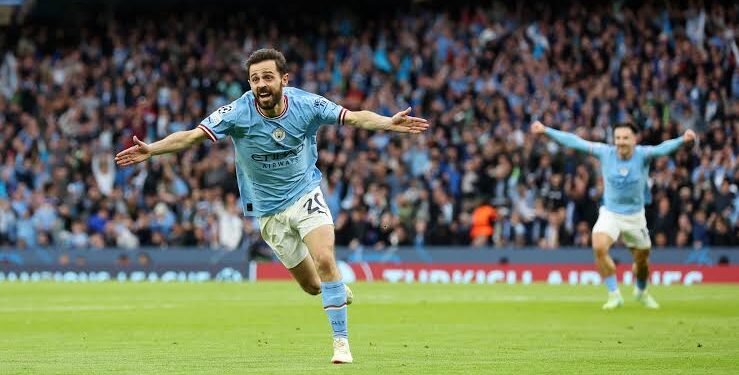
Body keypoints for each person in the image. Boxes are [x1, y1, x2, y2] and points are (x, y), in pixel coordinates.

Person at [115, 48, 429, 363]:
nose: (261, 84)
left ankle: (341, 343)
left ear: (283, 79)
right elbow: (192, 137)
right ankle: (334, 287)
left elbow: (354, 117)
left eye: (267, 76)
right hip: (268, 212)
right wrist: (152, 149)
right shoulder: (237, 113)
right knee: (312, 286)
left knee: (324, 257)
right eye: (255, 79)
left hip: (305, 194)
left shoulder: (306, 104)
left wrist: (388, 122)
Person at [531, 120, 695, 310]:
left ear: (634, 139)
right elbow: (574, 142)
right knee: (599, 247)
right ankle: (614, 294)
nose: (621, 142)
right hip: (610, 213)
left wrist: (683, 140)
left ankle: (641, 292)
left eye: (625, 138)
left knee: (642, 263)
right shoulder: (605, 153)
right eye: (617, 137)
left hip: (635, 217)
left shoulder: (643, 155)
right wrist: (546, 130)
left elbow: (663, 148)